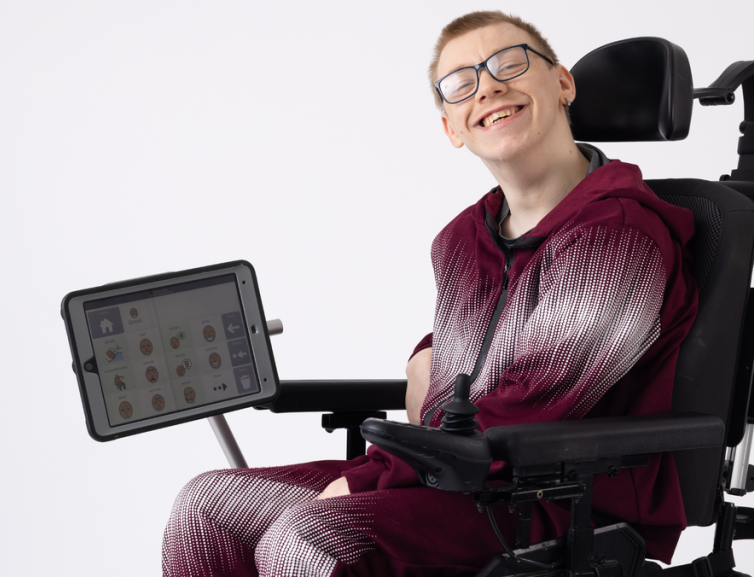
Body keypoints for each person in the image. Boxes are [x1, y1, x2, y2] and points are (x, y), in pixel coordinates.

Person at [162, 10, 697, 577]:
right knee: (205, 508)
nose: (488, 86)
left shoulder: (618, 234)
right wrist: (424, 356)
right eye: (460, 83)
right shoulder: (463, 239)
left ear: (563, 83)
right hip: (455, 477)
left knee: (308, 540)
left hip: (557, 498)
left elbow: (530, 408)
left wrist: (367, 478)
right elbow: (467, 365)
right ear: (452, 127)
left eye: (509, 63)